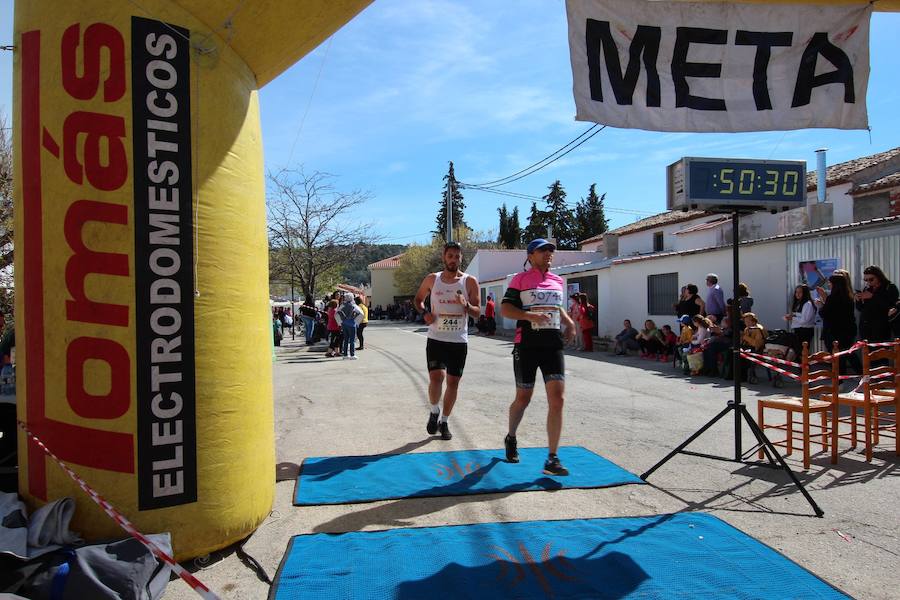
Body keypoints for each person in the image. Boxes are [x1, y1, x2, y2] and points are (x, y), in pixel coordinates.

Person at [501, 239, 576, 476]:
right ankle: (511, 436)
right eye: (543, 251)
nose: (548, 254)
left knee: (558, 399)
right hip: (527, 346)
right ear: (530, 255)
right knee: (524, 397)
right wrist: (529, 316)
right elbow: (506, 309)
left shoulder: (557, 281)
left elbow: (556, 307)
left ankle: (552, 458)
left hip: (552, 345)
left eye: (551, 251)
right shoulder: (520, 280)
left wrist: (569, 322)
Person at [414, 241, 481, 440]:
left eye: (457, 256)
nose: (453, 259)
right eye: (450, 256)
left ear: (461, 258)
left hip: (458, 341)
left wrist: (467, 305)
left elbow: (478, 312)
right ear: (444, 257)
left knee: (453, 383)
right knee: (437, 378)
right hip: (436, 338)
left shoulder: (469, 281)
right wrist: (425, 313)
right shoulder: (432, 279)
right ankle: (434, 410)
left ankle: (445, 421)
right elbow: (418, 300)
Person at [815, 273, 860, 373]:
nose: (829, 285)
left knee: (838, 358)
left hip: (834, 333)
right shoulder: (849, 297)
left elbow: (826, 313)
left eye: (830, 283)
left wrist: (821, 305)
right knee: (848, 353)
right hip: (848, 331)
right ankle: (862, 375)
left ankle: (840, 381)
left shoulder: (833, 298)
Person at [855, 265, 899, 344]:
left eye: (871, 279)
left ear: (879, 276)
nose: (868, 282)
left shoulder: (890, 287)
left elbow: (891, 307)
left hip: (881, 329)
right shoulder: (867, 288)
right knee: (866, 354)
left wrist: (873, 296)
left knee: (880, 354)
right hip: (866, 329)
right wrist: (858, 300)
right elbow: (861, 309)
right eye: (866, 280)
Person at [785, 284, 816, 351]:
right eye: (796, 292)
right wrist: (792, 316)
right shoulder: (798, 304)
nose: (797, 294)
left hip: (805, 331)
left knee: (802, 352)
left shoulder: (808, 304)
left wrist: (792, 318)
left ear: (805, 293)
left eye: (800, 292)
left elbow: (804, 320)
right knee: (797, 351)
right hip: (798, 331)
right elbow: (800, 317)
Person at [335, 294, 364, 359]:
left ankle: (345, 355)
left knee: (345, 339)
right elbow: (361, 313)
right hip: (352, 324)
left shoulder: (342, 305)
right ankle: (352, 354)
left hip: (344, 324)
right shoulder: (354, 305)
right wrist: (357, 321)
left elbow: (336, 314)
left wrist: (340, 322)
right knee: (352, 340)